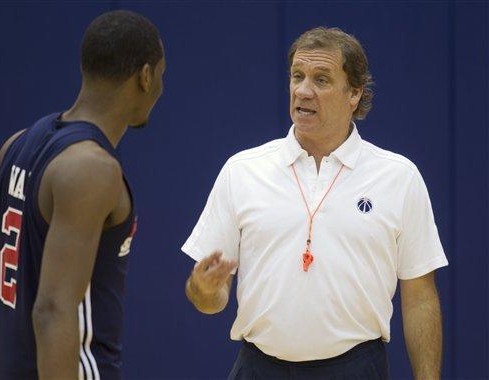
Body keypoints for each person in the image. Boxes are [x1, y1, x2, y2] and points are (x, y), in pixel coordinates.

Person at [183, 27, 448, 379]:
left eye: (321, 79)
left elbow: (420, 297)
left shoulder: (399, 177)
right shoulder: (242, 170)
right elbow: (212, 300)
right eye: (297, 76)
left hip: (356, 368)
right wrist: (201, 290)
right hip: (258, 367)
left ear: (354, 93)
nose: (303, 90)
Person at [0, 10, 165, 379]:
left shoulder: (17, 144)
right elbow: (52, 310)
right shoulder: (92, 170)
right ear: (145, 76)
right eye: (161, 75)